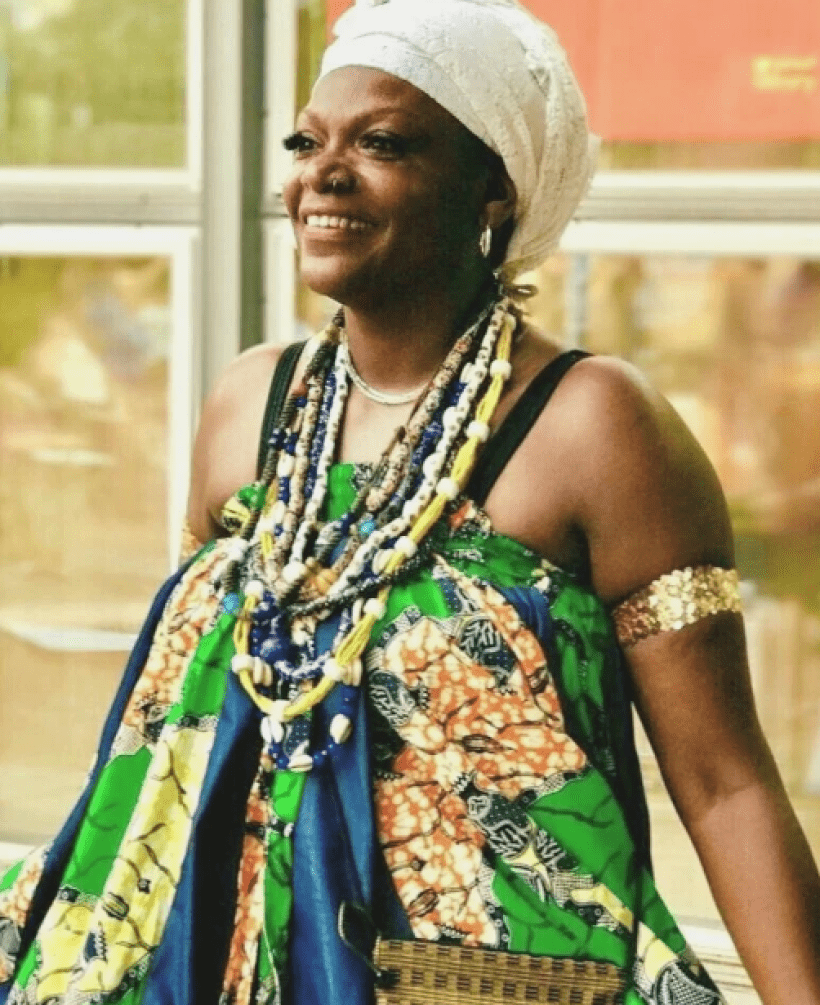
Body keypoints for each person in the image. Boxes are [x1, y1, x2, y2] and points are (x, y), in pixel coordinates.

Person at [2, 1, 820, 1003]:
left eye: (382, 143)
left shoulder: (595, 425)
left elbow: (724, 783)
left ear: (493, 188)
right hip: (206, 960)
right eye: (306, 142)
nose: (322, 174)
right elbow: (193, 721)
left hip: (477, 980)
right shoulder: (250, 405)